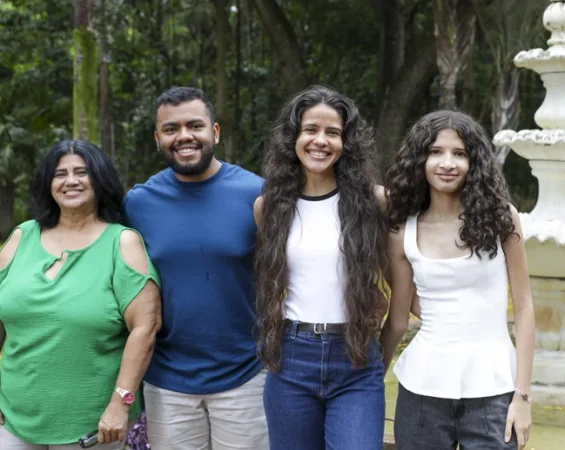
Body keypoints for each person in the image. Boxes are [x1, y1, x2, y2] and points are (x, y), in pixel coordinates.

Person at [379, 110, 536, 450]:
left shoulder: (502, 219)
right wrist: (370, 378)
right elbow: (398, 319)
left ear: (474, 162)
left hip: (493, 393)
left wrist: (522, 397)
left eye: (459, 153)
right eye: (436, 152)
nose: (447, 163)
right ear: (420, 160)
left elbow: (524, 309)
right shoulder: (402, 231)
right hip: (422, 393)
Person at [123, 86, 268, 449]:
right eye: (171, 129)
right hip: (167, 379)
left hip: (246, 374)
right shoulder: (138, 203)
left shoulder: (257, 193)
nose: (184, 136)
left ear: (214, 132)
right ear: (158, 139)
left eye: (195, 126)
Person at [0, 140, 161, 449]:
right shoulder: (22, 236)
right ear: (48, 184)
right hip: (14, 416)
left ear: (100, 180)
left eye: (82, 172)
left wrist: (120, 403)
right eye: (60, 174)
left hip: (92, 423)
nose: (70, 181)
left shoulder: (122, 243)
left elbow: (145, 328)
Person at [253, 85, 389, 450]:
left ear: (347, 143)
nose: (320, 141)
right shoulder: (269, 207)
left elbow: (400, 279)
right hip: (291, 359)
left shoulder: (373, 201)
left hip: (356, 359)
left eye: (333, 132)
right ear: (293, 137)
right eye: (310, 129)